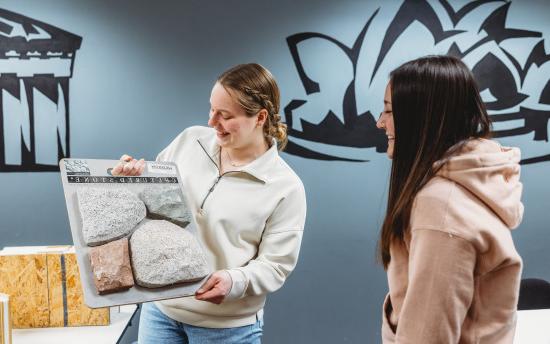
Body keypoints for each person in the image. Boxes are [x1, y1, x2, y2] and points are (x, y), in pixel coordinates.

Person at [113, 63, 307, 344]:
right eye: (211, 109)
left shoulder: (285, 187)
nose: (212, 122)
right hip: (160, 312)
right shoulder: (189, 141)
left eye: (225, 115)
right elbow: (152, 206)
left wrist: (234, 281)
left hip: (228, 328)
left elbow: (276, 266)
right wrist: (132, 177)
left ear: (260, 117)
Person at [375, 55, 523, 343]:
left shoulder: (440, 206)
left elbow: (429, 337)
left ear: (422, 118)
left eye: (389, 112)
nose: (381, 123)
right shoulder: (469, 184)